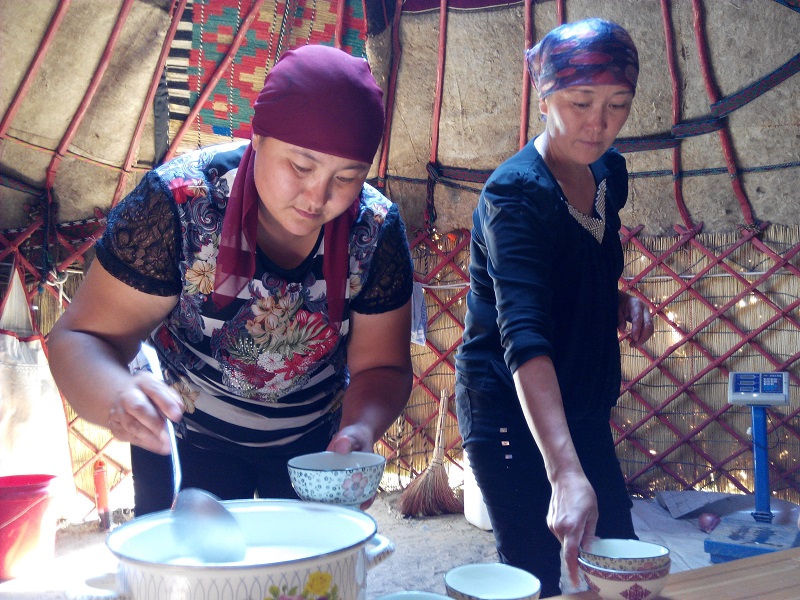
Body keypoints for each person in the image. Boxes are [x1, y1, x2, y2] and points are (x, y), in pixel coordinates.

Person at [48, 44, 414, 516]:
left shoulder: (374, 229)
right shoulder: (179, 206)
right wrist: (117, 395)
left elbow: (381, 367)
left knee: (305, 583)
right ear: (258, 137)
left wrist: (358, 430)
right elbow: (79, 338)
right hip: (183, 437)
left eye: (348, 177)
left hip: (312, 447)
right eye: (301, 167)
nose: (318, 196)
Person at [454, 18, 653, 598]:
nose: (600, 122)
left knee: (619, 567)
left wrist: (612, 299)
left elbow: (579, 262)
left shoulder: (607, 172)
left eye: (618, 104)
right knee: (537, 579)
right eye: (581, 101)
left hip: (581, 407)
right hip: (512, 417)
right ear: (545, 98)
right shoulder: (513, 196)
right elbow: (524, 333)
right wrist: (564, 472)